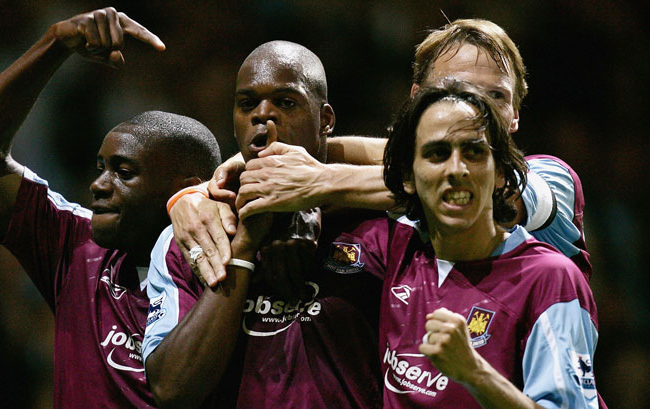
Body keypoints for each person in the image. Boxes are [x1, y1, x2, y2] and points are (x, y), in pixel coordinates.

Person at [168, 18, 592, 290]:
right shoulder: (397, 208)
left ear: (515, 114)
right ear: (416, 103)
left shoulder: (551, 180)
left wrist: (314, 181)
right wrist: (201, 194)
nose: (473, 110)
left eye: (495, 96)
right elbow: (405, 160)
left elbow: (486, 188)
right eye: (454, 91)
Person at [0, 8, 222, 408]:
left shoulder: (233, 268)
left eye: (124, 172)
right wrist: (53, 45)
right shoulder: (77, 248)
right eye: (101, 168)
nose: (99, 184)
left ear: (187, 190)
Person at [143, 40, 385, 409]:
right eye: (247, 104)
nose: (263, 115)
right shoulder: (194, 232)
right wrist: (242, 251)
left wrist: (309, 192)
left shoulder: (379, 225)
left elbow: (463, 177)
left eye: (286, 102)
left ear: (326, 120)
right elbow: (171, 390)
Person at [368, 78, 601, 408]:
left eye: (474, 152)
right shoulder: (397, 249)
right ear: (408, 176)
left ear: (501, 174)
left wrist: (475, 373)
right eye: (437, 154)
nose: (457, 169)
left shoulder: (550, 279)